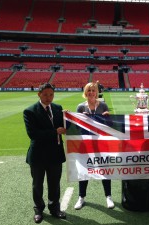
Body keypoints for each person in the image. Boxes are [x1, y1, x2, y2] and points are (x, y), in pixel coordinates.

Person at [23, 83, 67, 223]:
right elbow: (33, 134)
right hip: (38, 155)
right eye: (45, 94)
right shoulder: (29, 111)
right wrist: (55, 132)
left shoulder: (58, 108)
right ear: (39, 94)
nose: (49, 98)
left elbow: (64, 126)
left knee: (54, 183)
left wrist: (69, 118)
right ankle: (38, 210)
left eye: (51, 95)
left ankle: (55, 208)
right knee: (37, 184)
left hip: (55, 153)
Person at [74, 82, 115, 210]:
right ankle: (81, 197)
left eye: (93, 90)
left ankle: (108, 196)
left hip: (101, 143)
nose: (91, 92)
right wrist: (80, 118)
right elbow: (75, 127)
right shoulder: (81, 107)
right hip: (86, 144)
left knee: (104, 168)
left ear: (97, 92)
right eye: (89, 90)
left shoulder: (103, 105)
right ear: (85, 92)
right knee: (84, 170)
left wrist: (107, 118)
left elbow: (109, 126)